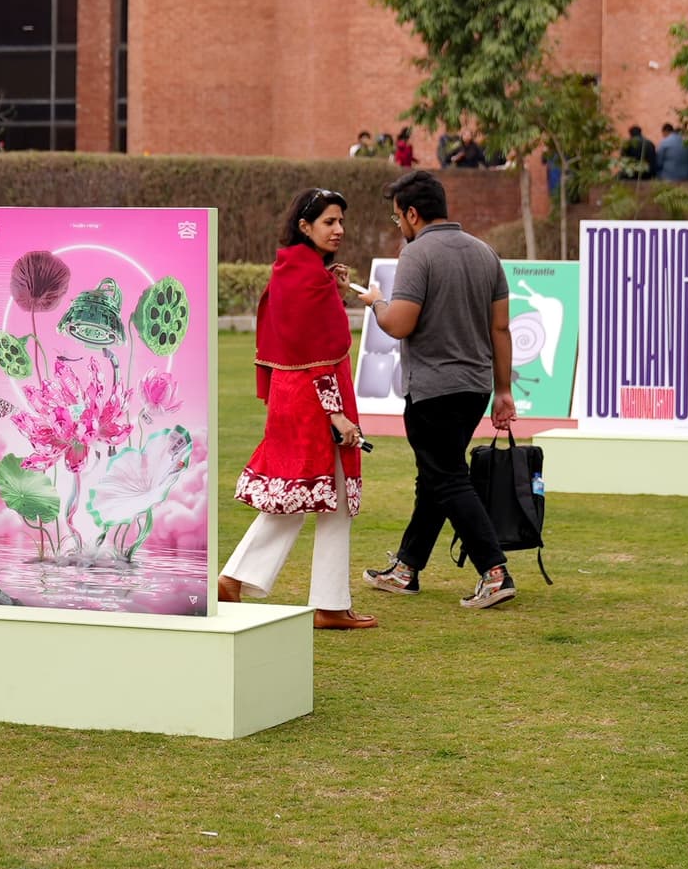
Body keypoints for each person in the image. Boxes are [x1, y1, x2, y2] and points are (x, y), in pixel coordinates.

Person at [358, 170, 520, 610]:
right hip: (475, 388)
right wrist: (503, 390)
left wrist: (375, 302)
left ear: (412, 214)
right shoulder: (486, 252)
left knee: (446, 477)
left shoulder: (417, 254)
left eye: (397, 217)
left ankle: (494, 571)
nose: (399, 225)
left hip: (432, 389)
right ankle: (406, 569)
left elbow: (399, 323)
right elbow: (501, 329)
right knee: (435, 476)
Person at [221, 188, 376, 629]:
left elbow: (300, 337)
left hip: (293, 395)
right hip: (316, 398)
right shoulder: (310, 278)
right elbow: (318, 351)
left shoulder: (292, 270)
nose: (339, 229)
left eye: (341, 221)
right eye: (329, 222)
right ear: (305, 226)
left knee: (302, 492)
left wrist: (334, 288)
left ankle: (237, 579)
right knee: (331, 496)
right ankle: (327, 604)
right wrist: (336, 413)